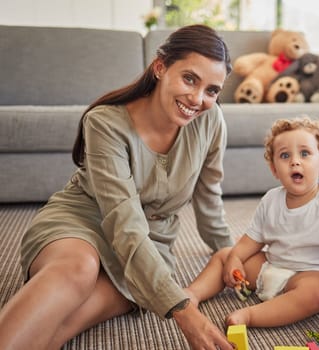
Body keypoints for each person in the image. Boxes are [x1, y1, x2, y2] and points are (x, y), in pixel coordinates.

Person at [0, 24, 236, 350]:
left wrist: (227, 250)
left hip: (151, 247)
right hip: (84, 220)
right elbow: (123, 221)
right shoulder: (105, 122)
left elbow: (209, 194)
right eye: (190, 79)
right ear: (160, 67)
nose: (198, 99)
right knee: (79, 270)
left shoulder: (211, 122)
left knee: (62, 324)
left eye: (212, 90)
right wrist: (182, 309)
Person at [184, 115, 319, 327]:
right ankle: (192, 294)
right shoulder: (271, 199)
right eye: (285, 155)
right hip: (270, 266)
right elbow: (252, 239)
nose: (295, 161)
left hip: (307, 275)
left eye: (305, 153)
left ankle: (251, 315)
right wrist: (235, 258)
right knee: (224, 255)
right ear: (274, 169)